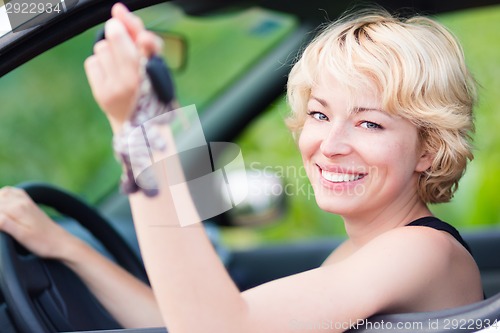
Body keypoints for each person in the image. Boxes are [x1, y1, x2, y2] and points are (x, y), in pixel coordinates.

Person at [0, 3, 484, 332]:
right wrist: (63, 247)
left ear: (428, 148)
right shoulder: (356, 255)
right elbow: (186, 320)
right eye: (320, 114)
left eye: (370, 124)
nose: (330, 144)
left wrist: (140, 132)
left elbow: (218, 329)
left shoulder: (421, 252)